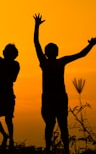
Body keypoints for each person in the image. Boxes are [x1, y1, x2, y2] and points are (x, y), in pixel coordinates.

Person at [33, 13, 96, 154]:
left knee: (58, 124)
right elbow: (36, 44)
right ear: (52, 52)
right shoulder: (51, 62)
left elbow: (81, 54)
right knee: (56, 124)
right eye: (52, 50)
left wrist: (91, 45)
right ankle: (54, 148)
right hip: (53, 98)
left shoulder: (54, 62)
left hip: (57, 98)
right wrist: (36, 26)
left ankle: (59, 149)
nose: (53, 52)